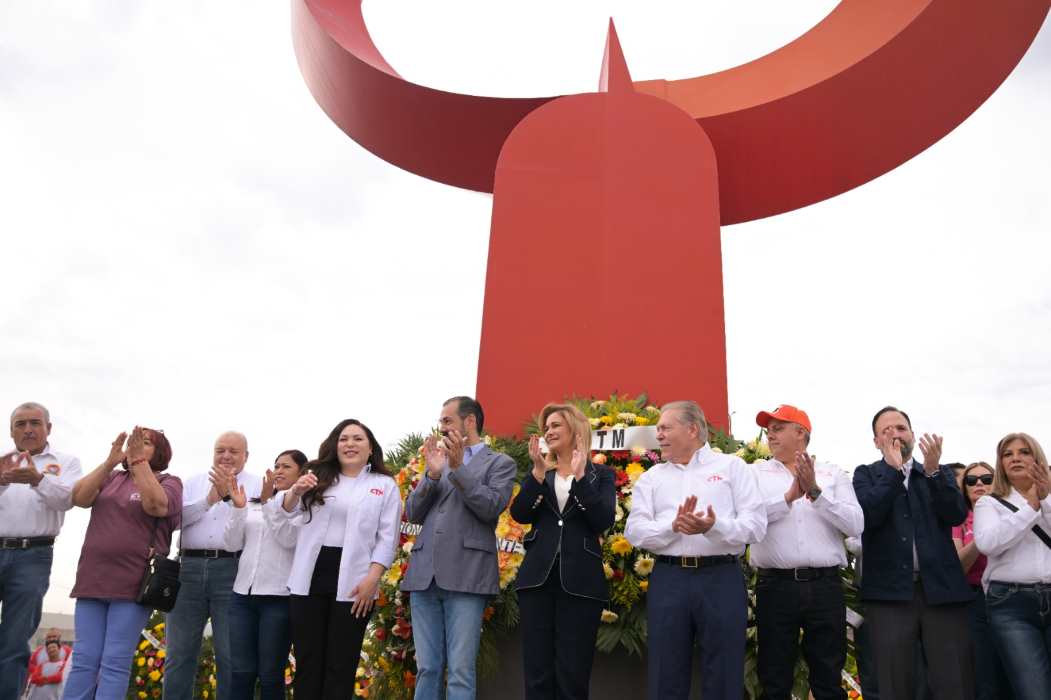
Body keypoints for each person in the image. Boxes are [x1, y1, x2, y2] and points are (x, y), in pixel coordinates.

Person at [624, 400, 766, 700]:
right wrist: (672, 527)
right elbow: (634, 532)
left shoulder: (733, 468)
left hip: (721, 578)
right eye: (658, 429)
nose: (658, 435)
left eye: (665, 428)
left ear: (691, 430)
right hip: (669, 579)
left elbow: (755, 527)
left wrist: (713, 526)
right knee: (666, 672)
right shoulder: (651, 478)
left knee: (724, 671)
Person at [852, 406, 974, 699]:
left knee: (953, 680)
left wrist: (933, 473)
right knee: (895, 682)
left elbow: (956, 514)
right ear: (876, 442)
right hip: (889, 595)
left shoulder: (936, 472)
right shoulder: (866, 474)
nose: (895, 434)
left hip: (941, 591)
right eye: (886, 430)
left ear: (913, 434)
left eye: (901, 428)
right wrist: (893, 473)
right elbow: (867, 515)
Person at [401, 396, 517, 700]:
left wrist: (458, 468)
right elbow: (412, 513)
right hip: (424, 577)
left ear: (470, 421)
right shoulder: (437, 460)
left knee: (461, 671)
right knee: (427, 668)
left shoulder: (500, 463)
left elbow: (490, 507)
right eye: (440, 421)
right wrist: (432, 475)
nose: (441, 427)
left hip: (467, 576)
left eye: (447, 421)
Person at [280, 419, 401, 700]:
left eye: (358, 439)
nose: (350, 444)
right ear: (335, 446)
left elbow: (387, 538)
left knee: (341, 665)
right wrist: (296, 490)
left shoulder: (384, 485)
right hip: (309, 577)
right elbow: (285, 512)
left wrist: (372, 579)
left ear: (370, 448)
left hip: (356, 583)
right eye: (344, 439)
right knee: (308, 663)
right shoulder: (315, 477)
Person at [750, 404, 863, 700]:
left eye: (778, 428)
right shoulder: (754, 473)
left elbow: (856, 524)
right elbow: (747, 521)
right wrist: (787, 498)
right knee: (774, 677)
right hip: (775, 586)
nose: (770, 435)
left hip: (825, 585)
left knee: (828, 677)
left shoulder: (832, 473)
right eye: (768, 430)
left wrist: (815, 492)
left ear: (800, 433)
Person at [64, 427, 182, 699]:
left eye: (145, 443)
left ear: (160, 452)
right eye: (134, 443)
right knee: (84, 659)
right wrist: (109, 462)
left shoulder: (170, 482)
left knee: (114, 662)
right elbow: (79, 498)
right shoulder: (112, 477)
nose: (136, 446)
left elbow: (156, 506)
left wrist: (139, 462)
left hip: (133, 585)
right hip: (92, 581)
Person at [509, 403, 615, 700]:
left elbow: (603, 519)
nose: (548, 432)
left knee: (573, 673)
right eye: (546, 428)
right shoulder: (542, 474)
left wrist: (580, 479)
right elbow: (520, 514)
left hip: (581, 584)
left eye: (555, 425)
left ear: (575, 429)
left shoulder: (600, 475)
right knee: (537, 673)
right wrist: (537, 474)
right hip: (537, 582)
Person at [164, 432, 260, 700]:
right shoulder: (193, 482)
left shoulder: (257, 485)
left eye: (233, 451)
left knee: (230, 656)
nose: (226, 456)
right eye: (220, 450)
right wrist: (208, 500)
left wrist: (230, 500)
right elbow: (174, 521)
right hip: (187, 568)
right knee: (178, 654)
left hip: (233, 570)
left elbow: (257, 528)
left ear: (246, 456)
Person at [0, 402, 82, 700]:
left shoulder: (67, 462)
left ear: (48, 428)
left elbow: (68, 500)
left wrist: (38, 480)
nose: (28, 429)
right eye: (20, 424)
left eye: (35, 423)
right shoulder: (1, 461)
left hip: (33, 556)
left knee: (15, 640)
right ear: (11, 431)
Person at [973, 432, 1051, 700]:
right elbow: (988, 543)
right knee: (1034, 691)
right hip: (1010, 604)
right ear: (1001, 463)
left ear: (1037, 458)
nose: (1015, 458)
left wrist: (1045, 501)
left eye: (1024, 452)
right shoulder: (988, 502)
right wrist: (1031, 507)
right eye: (1008, 454)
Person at [223, 449, 306, 700]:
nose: (278, 471)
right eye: (276, 466)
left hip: (279, 599)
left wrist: (270, 503)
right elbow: (231, 544)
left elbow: (288, 539)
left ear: (301, 474)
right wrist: (239, 509)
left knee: (270, 675)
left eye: (286, 467)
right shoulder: (253, 504)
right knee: (241, 672)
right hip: (242, 597)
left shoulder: (304, 507)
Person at [952, 461, 1012, 700]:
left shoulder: (1010, 514)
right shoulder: (959, 520)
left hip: (1010, 595)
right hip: (975, 599)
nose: (979, 484)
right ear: (964, 488)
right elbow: (958, 566)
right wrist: (982, 537)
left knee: (1016, 667)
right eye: (971, 480)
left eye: (987, 479)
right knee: (984, 671)